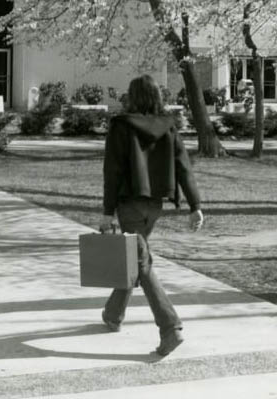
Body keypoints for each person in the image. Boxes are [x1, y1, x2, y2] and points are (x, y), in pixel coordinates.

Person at [100, 74, 204, 358]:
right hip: (155, 205)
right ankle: (112, 314)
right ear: (158, 96)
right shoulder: (169, 126)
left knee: (142, 264)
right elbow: (183, 166)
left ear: (132, 97)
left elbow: (113, 171)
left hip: (130, 205)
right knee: (137, 257)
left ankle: (170, 328)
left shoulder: (121, 126)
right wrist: (195, 205)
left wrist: (108, 212)